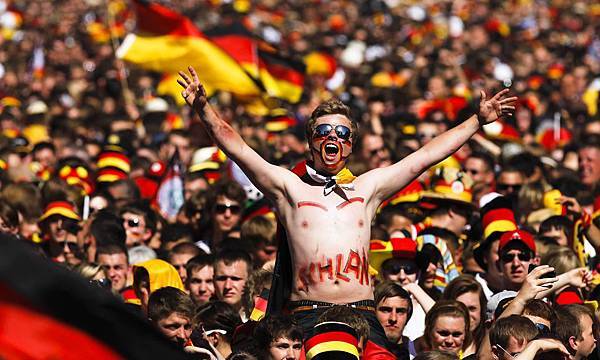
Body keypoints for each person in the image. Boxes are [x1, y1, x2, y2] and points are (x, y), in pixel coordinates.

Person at [179, 65, 516, 357]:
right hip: (306, 314)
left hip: (363, 314)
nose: (333, 138)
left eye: (341, 133)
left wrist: (476, 121)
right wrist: (203, 107)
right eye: (324, 131)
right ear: (311, 140)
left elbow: (425, 157)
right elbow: (236, 146)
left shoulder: (367, 189)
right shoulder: (289, 187)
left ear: (350, 146)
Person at [441, 275, 486, 357]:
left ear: (482, 310)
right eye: (460, 308)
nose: (466, 315)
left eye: (472, 308)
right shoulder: (432, 345)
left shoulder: (491, 349)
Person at [374, 281, 416, 358]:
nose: (393, 318)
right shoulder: (360, 349)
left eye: (400, 311)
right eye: (386, 310)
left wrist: (414, 288)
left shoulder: (416, 350)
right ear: (373, 312)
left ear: (408, 315)